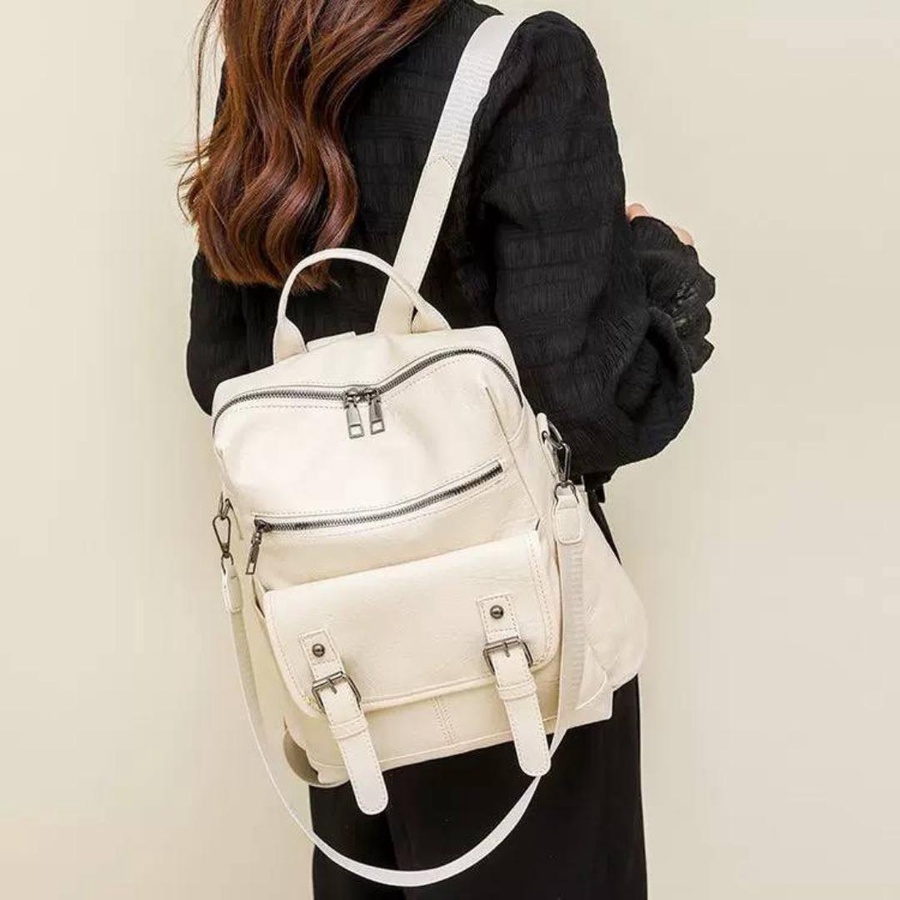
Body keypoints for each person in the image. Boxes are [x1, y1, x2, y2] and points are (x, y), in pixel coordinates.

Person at [184, 1, 715, 897]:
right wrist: (657, 273)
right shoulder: (527, 63)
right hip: (521, 638)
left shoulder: (268, 69)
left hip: (337, 647)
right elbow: (594, 406)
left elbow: (225, 379)